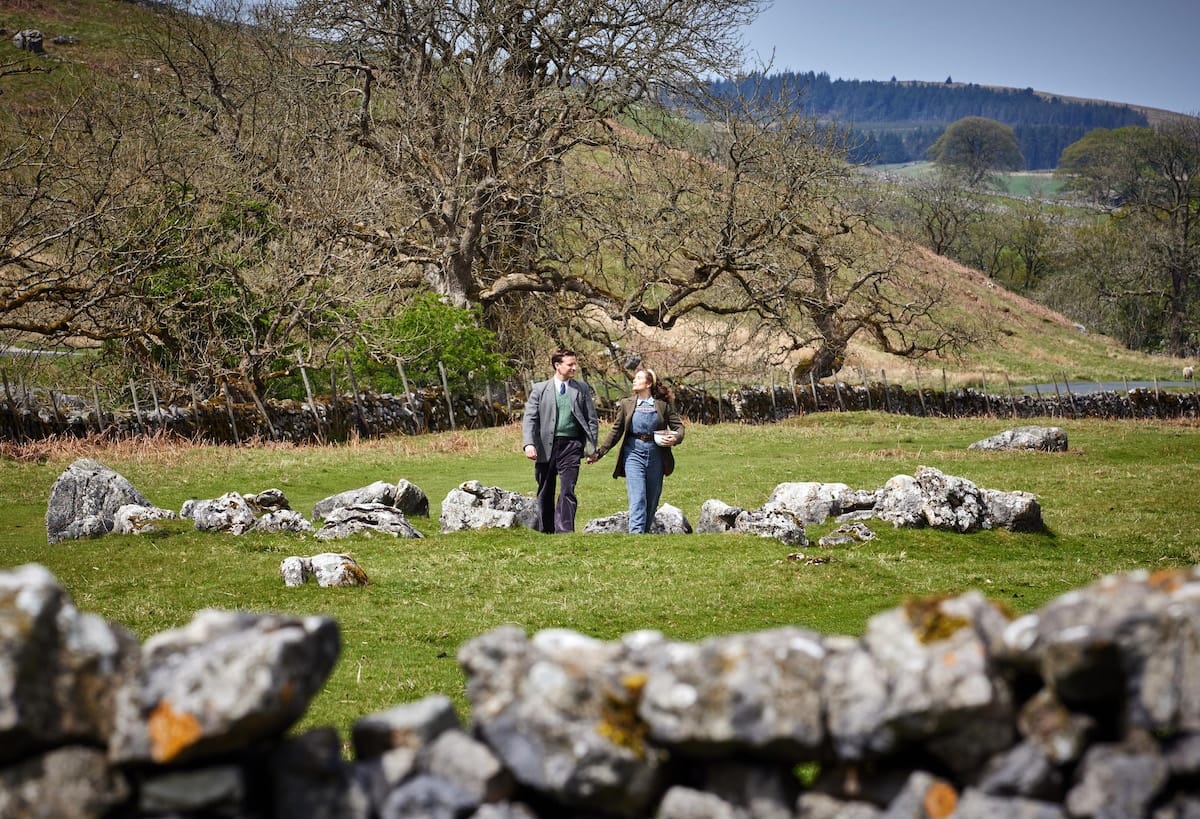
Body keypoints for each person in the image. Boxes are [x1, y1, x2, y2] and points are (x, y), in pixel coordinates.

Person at [588, 369, 684, 534]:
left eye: (639, 378)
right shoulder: (627, 404)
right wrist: (599, 453)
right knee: (638, 497)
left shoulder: (662, 406)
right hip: (633, 454)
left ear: (648, 384)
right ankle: (636, 534)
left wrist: (675, 438)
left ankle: (644, 535)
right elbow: (616, 432)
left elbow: (679, 427)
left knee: (652, 499)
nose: (634, 380)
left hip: (657, 456)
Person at [522, 349, 600, 533]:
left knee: (568, 488)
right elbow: (530, 418)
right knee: (546, 488)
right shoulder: (540, 389)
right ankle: (546, 529)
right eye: (570, 364)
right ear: (558, 365)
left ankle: (565, 530)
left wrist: (591, 449)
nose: (574, 367)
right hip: (545, 446)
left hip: (572, 446)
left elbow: (591, 420)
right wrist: (529, 444)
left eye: (575, 364)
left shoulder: (581, 388)